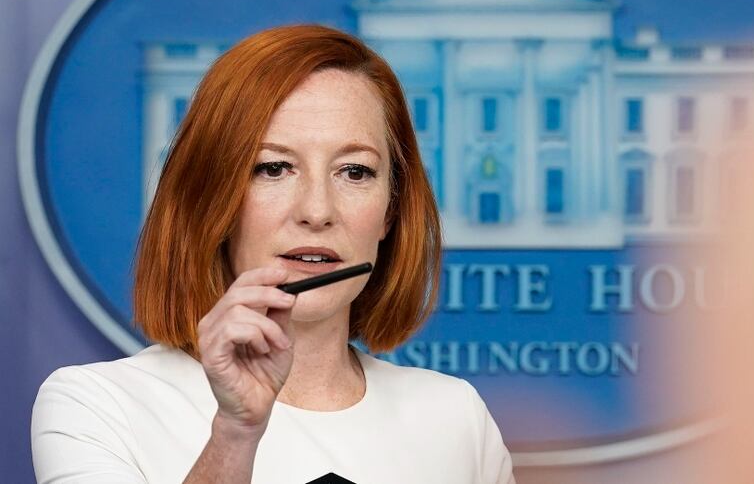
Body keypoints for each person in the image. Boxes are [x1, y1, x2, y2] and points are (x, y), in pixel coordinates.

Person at [31, 24, 515, 484]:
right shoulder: (97, 405)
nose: (318, 211)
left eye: (354, 172)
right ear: (212, 199)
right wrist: (234, 434)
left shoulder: (455, 418)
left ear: (390, 212)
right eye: (274, 168)